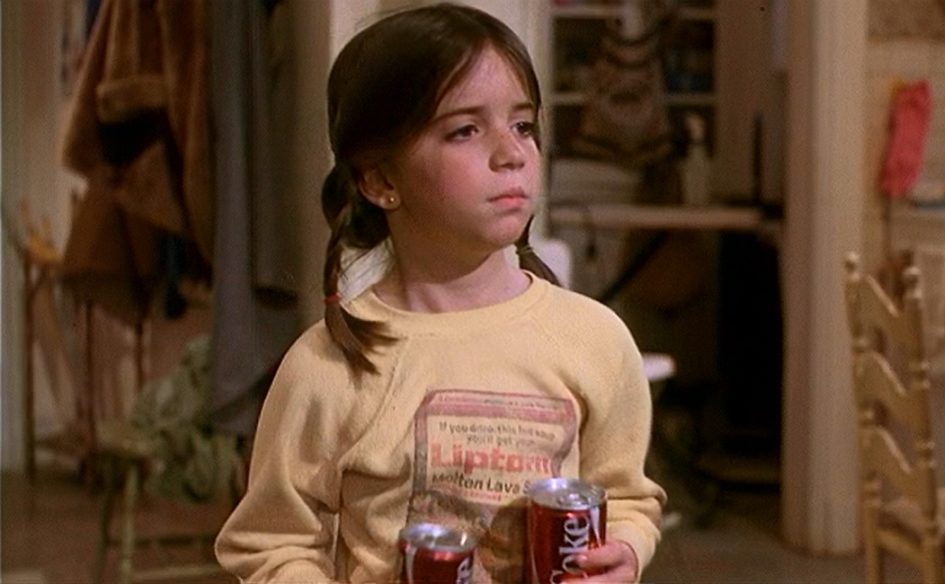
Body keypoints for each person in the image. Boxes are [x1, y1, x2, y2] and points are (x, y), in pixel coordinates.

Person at [214, 4, 665, 583]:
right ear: (380, 180)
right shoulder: (326, 367)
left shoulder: (595, 340)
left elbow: (627, 499)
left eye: (523, 125)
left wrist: (625, 550)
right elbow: (270, 546)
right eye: (465, 130)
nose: (512, 153)